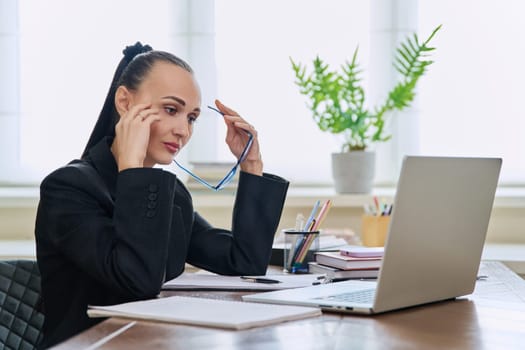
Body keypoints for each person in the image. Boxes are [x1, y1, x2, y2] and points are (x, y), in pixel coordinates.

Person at [34, 42, 289, 348]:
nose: (183, 130)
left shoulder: (170, 194)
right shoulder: (67, 189)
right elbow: (138, 281)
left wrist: (251, 165)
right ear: (125, 103)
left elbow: (244, 260)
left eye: (191, 118)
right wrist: (132, 167)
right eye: (171, 110)